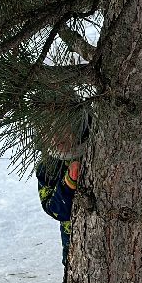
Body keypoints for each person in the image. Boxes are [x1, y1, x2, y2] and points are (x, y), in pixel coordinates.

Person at [36, 112, 90, 264]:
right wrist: (68, 183)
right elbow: (55, 210)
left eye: (62, 127)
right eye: (47, 130)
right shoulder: (48, 166)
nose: (55, 136)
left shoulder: (96, 149)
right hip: (74, 243)